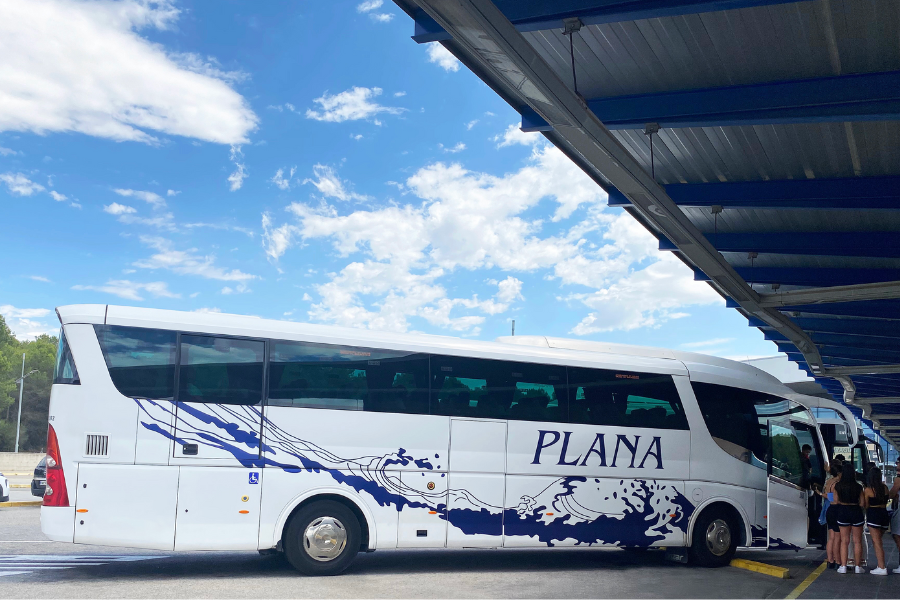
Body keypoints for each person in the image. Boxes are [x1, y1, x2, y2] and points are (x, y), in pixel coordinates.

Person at [835, 462, 866, 574]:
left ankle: (843, 566)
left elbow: (835, 500)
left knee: (844, 541)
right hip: (856, 512)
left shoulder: (838, 486)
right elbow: (862, 503)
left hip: (843, 511)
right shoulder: (858, 487)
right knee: (857, 541)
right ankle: (858, 567)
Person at [864, 466, 890, 575]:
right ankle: (880, 565)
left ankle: (882, 566)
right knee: (878, 540)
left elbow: (865, 505)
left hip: (873, 515)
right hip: (884, 514)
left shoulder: (868, 490)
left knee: (877, 542)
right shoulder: (884, 488)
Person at [820, 459, 842, 569]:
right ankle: (838, 561)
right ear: (839, 473)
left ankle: (830, 560)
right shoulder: (837, 484)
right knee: (838, 538)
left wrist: (820, 493)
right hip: (837, 509)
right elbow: (836, 499)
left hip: (829, 509)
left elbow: (828, 496)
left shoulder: (828, 482)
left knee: (831, 538)